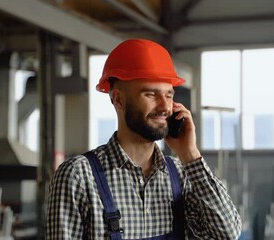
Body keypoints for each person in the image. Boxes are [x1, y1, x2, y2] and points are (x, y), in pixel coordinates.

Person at [46, 39, 242, 239]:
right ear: (119, 100)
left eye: (169, 95)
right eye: (151, 94)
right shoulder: (79, 177)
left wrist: (189, 154)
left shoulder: (180, 175)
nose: (165, 106)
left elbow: (226, 234)